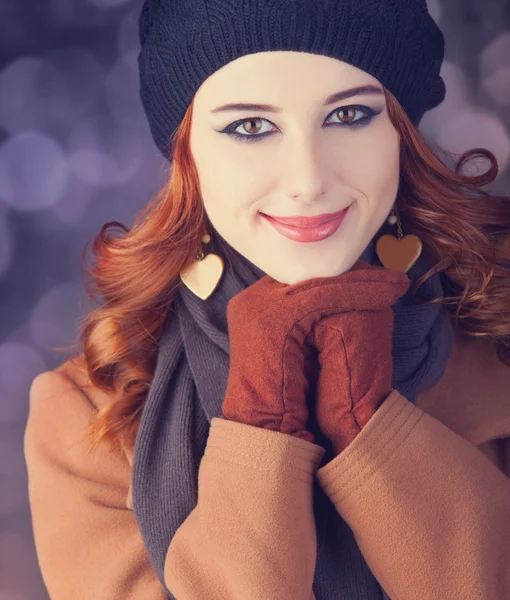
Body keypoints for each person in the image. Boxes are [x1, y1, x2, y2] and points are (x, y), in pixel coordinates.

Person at [24, 0, 510, 599]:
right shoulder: (86, 413)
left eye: (351, 114)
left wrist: (371, 430)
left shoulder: (496, 346)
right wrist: (259, 424)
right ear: (189, 156)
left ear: (401, 137)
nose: (308, 179)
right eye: (250, 127)